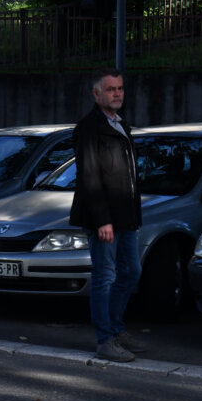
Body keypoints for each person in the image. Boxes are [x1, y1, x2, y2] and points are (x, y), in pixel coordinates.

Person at [69, 68, 146, 363]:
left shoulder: (120, 124)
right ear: (96, 94)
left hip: (126, 216)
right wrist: (103, 220)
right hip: (104, 220)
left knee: (131, 272)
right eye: (111, 89)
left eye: (120, 88)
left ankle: (116, 329)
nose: (117, 94)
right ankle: (105, 340)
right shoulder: (89, 128)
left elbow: (127, 177)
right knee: (105, 276)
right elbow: (90, 177)